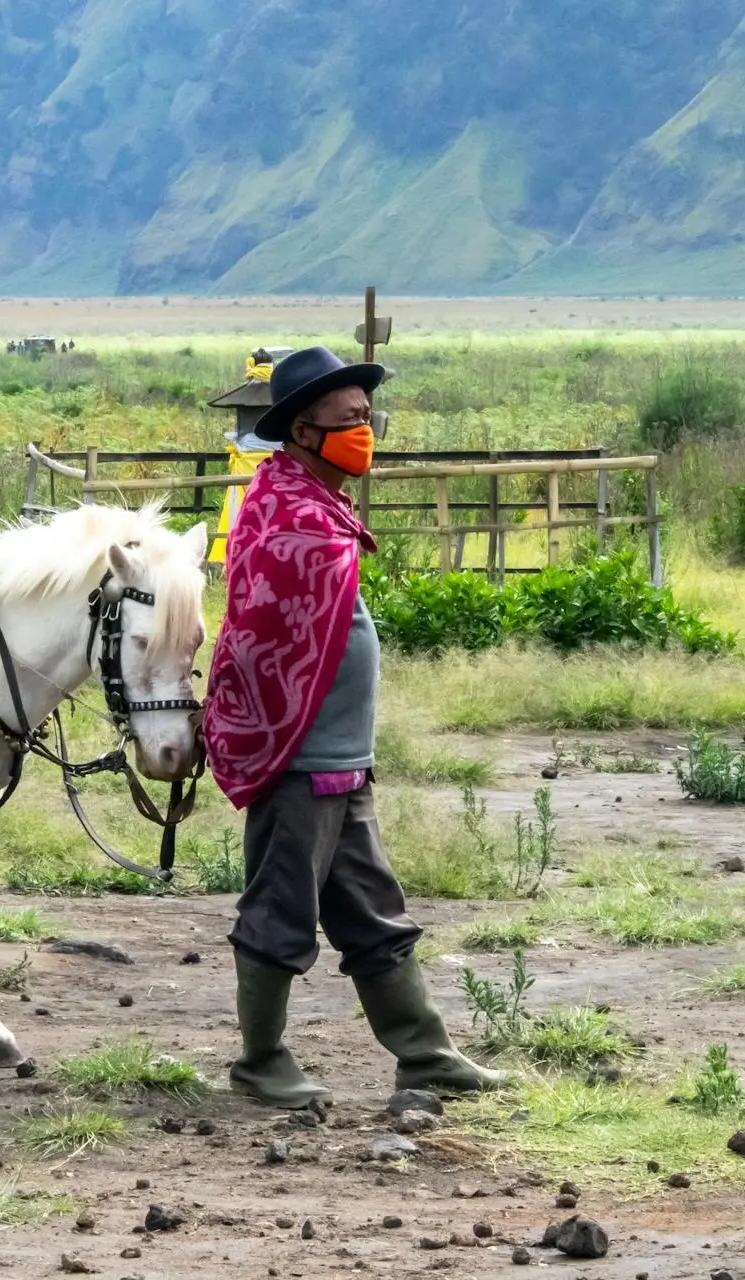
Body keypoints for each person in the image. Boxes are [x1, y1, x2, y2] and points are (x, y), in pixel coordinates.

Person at [204, 346, 509, 1109]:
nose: (365, 433)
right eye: (350, 421)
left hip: (341, 757)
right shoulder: (285, 515)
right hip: (300, 758)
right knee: (280, 910)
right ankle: (260, 1062)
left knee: (374, 914)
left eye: (369, 419)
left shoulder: (318, 505)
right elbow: (261, 636)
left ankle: (425, 1055)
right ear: (303, 431)